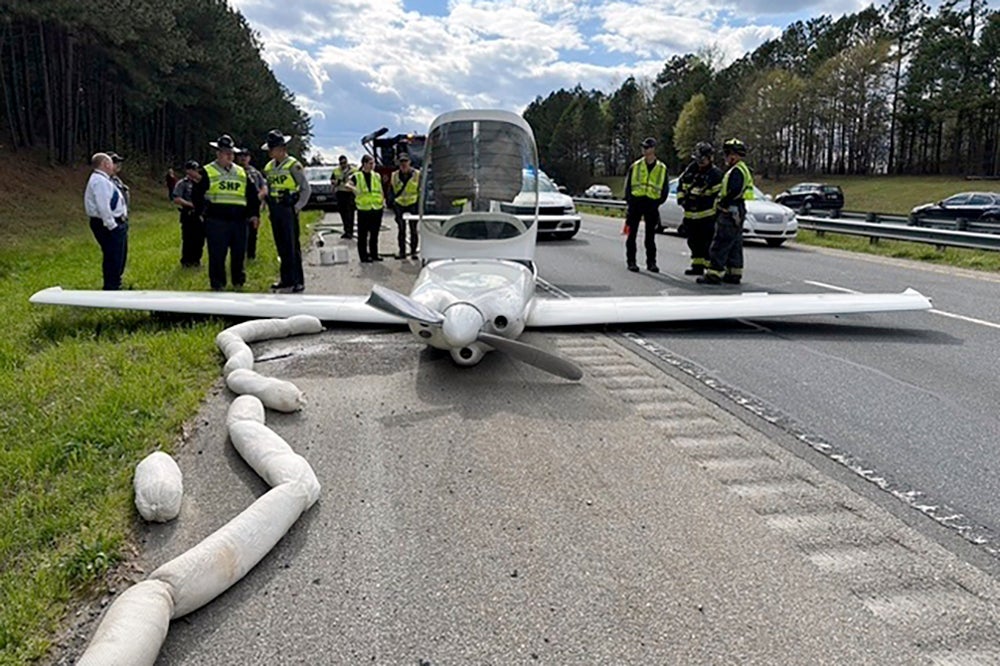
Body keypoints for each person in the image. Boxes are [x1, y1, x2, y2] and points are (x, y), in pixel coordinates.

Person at [192, 134, 261, 291]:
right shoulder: (207, 171)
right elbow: (197, 195)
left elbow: (252, 195)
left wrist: (254, 214)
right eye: (225, 152)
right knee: (217, 255)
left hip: (239, 220)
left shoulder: (242, 172)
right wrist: (202, 213)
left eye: (231, 152)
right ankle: (218, 284)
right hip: (217, 220)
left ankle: (239, 282)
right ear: (218, 153)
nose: (229, 155)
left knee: (238, 254)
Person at [698, 138, 754, 285]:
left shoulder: (736, 171)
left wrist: (724, 203)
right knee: (734, 242)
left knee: (721, 242)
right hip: (737, 209)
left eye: (726, 155)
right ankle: (734, 273)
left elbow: (734, 190)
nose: (725, 158)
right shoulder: (741, 169)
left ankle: (713, 274)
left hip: (730, 209)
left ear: (733, 155)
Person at [261, 129, 310, 292]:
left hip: (288, 209)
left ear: (281, 149)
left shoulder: (293, 165)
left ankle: (298, 280)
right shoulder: (269, 167)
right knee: (281, 245)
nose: (269, 152)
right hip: (275, 210)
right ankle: (286, 279)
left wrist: (297, 207)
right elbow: (269, 187)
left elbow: (305, 189)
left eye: (272, 149)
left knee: (291, 246)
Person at [84, 152, 129, 290]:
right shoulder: (99, 181)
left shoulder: (104, 180)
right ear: (105, 164)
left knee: (118, 255)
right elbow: (103, 205)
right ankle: (112, 287)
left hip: (115, 222)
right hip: (107, 224)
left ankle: (116, 283)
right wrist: (112, 225)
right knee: (113, 256)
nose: (113, 166)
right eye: (110, 163)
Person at [677, 141, 723, 276]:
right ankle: (697, 265)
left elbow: (716, 195)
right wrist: (681, 199)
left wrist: (701, 200)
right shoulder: (690, 170)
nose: (700, 162)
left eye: (703, 159)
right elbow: (681, 185)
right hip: (690, 214)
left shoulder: (715, 174)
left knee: (707, 243)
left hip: (707, 215)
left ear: (710, 158)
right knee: (693, 242)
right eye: (698, 159)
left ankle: (710, 268)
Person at [623, 137, 668, 273]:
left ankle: (651, 263)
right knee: (632, 235)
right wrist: (630, 202)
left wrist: (657, 202)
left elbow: (664, 188)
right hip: (636, 204)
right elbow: (628, 186)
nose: (645, 150)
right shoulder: (635, 166)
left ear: (653, 149)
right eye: (643, 148)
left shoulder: (661, 168)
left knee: (650, 237)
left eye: (647, 148)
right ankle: (631, 262)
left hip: (651, 205)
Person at [348, 154, 385, 263]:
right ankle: (363, 256)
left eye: (373, 163)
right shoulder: (357, 175)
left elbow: (380, 189)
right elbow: (348, 184)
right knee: (363, 234)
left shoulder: (377, 176)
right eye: (370, 163)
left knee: (375, 233)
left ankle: (374, 254)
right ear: (364, 164)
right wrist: (353, 189)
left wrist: (383, 200)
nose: (372, 165)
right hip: (364, 209)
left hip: (377, 207)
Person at [235, 146, 267, 261]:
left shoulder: (255, 173)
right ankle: (240, 255)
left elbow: (264, 187)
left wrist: (258, 198)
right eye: (241, 156)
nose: (243, 158)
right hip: (239, 205)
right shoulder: (234, 171)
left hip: (253, 207)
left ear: (249, 158)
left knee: (253, 231)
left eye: (245, 156)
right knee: (239, 232)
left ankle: (251, 256)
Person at [172, 160, 204, 267]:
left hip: (200, 214)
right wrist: (190, 204)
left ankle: (196, 260)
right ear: (187, 170)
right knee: (188, 238)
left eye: (195, 169)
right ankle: (186, 261)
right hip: (188, 214)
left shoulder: (202, 183)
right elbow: (176, 199)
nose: (194, 172)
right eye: (191, 169)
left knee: (199, 238)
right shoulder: (182, 183)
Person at [389, 153, 420, 258]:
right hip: (399, 204)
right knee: (401, 229)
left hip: (413, 203)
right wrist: (391, 203)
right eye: (401, 162)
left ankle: (413, 251)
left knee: (413, 229)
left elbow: (421, 189)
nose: (403, 164)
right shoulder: (394, 175)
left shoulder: (417, 174)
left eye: (405, 162)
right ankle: (402, 251)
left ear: (409, 162)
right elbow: (391, 190)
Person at [331, 154, 356, 239]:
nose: (343, 164)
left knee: (350, 214)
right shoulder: (336, 171)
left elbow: (356, 181)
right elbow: (332, 180)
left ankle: (350, 232)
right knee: (343, 213)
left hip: (350, 194)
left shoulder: (353, 170)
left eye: (344, 162)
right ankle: (346, 231)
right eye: (341, 163)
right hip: (340, 193)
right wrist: (336, 182)